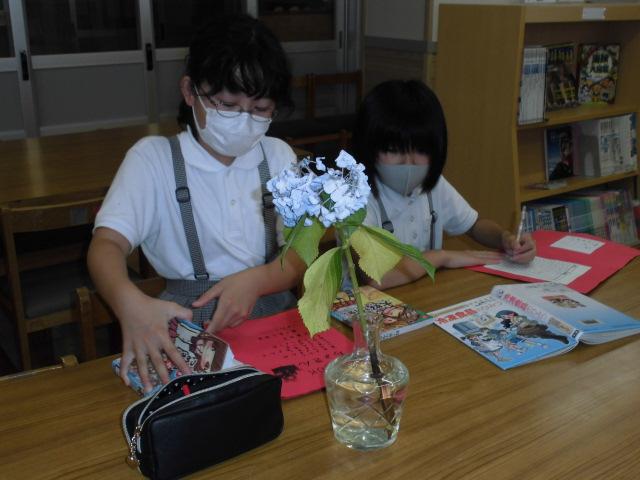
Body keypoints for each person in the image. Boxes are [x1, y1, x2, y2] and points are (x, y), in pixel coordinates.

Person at [88, 13, 305, 391]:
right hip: (188, 327)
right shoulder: (153, 160)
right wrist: (128, 302)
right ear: (190, 92)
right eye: (227, 104)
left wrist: (259, 280)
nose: (243, 120)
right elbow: (106, 244)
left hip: (274, 315)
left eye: (260, 109)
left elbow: (301, 252)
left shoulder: (278, 156)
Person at [351, 80, 536, 289]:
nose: (409, 163)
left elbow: (474, 225)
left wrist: (505, 239)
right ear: (370, 147)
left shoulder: (433, 185)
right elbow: (376, 277)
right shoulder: (354, 198)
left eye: (420, 150)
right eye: (394, 150)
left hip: (425, 293)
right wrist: (442, 257)